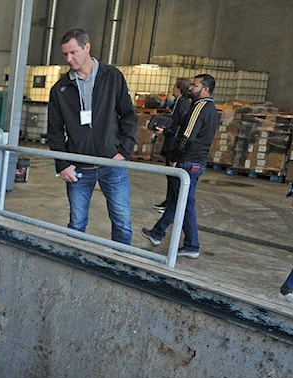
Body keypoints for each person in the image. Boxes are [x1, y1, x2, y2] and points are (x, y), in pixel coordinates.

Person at [47, 28, 138, 245]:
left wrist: (123, 151)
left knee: (122, 222)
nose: (69, 59)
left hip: (112, 164)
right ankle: (75, 259)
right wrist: (63, 164)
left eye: (73, 53)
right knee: (77, 223)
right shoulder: (60, 89)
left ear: (87, 47)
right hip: (78, 167)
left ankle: (121, 261)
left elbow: (129, 115)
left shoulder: (112, 76)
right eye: (65, 54)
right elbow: (54, 131)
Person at [141, 74, 218, 259]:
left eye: (195, 85)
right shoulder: (210, 108)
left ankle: (191, 244)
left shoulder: (200, 107)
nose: (191, 88)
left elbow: (187, 136)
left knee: (185, 203)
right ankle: (157, 233)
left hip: (189, 161)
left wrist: (175, 156)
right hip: (196, 161)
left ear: (206, 89)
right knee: (178, 200)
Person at [154, 77, 193, 212]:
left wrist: (166, 131)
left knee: (173, 176)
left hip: (174, 144)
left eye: (174, 86)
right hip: (170, 141)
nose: (172, 89)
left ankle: (172, 205)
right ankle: (169, 201)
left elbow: (180, 126)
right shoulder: (178, 103)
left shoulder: (184, 104)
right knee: (169, 175)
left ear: (179, 89)